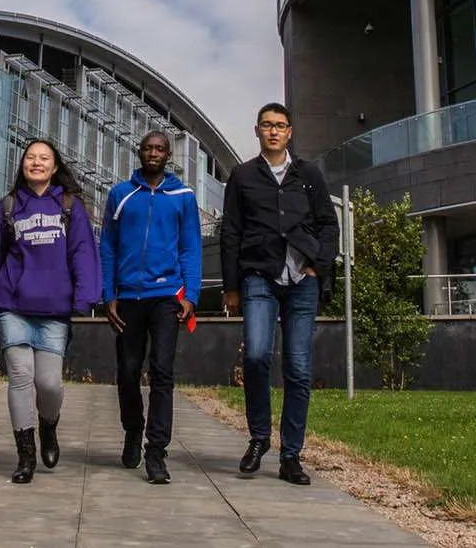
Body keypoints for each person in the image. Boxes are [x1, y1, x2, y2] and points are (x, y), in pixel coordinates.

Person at [0, 139, 101, 484]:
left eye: (44, 158)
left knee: (49, 384)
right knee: (21, 377)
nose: (37, 163)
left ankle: (48, 426)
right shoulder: (8, 206)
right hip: (13, 304)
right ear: (22, 164)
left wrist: (85, 298)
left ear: (55, 167)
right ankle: (25, 455)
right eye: (31, 157)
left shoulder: (71, 206)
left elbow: (83, 253)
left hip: (54, 310)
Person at [220, 102, 338, 486]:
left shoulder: (309, 175)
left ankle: (291, 455)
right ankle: (258, 438)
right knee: (255, 356)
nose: (273, 131)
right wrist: (232, 287)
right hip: (259, 277)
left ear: (290, 132)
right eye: (267, 125)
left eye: (280, 125)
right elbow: (231, 233)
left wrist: (317, 266)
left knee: (298, 368)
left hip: (302, 281)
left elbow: (327, 226)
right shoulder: (242, 176)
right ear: (257, 131)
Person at [100, 130, 201, 485]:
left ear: (168, 155)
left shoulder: (183, 197)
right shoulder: (120, 194)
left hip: (166, 297)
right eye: (148, 148)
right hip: (127, 297)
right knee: (127, 372)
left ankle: (156, 452)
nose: (153, 153)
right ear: (139, 152)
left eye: (160, 148)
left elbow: (190, 247)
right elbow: (108, 246)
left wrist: (191, 296)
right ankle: (133, 429)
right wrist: (108, 292)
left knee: (162, 372)